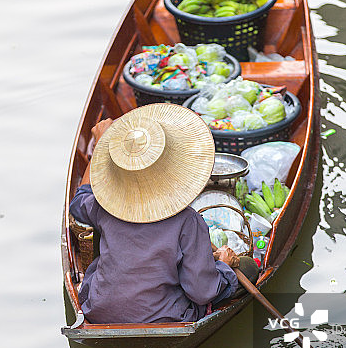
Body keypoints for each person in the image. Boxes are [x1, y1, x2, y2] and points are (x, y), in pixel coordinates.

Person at [69, 103, 259, 324]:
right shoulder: (187, 220)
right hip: (166, 317)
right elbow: (202, 291)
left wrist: (100, 147)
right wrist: (224, 265)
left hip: (98, 309)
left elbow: (79, 199)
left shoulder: (104, 207)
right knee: (249, 267)